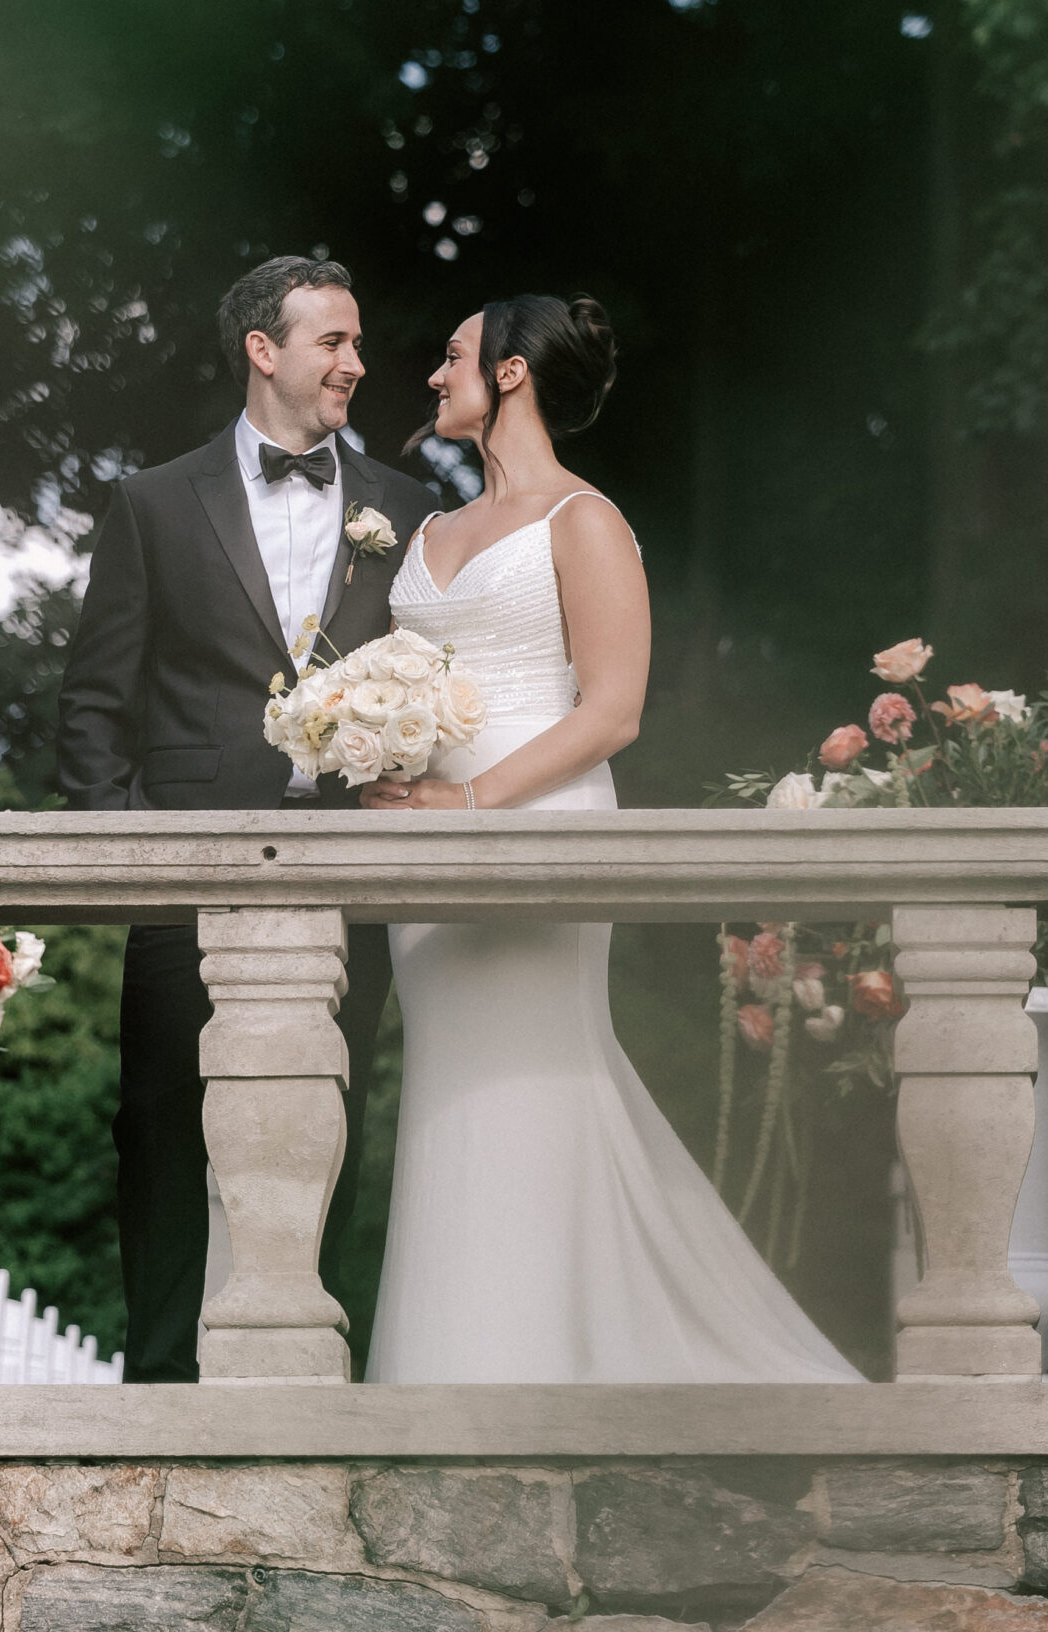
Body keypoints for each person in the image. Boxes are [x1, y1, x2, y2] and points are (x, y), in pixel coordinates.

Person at [356, 294, 860, 1382]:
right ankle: (447, 1366)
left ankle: (533, 1365)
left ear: (512, 373)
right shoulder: (433, 532)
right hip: (426, 840)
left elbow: (612, 710)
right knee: (447, 1079)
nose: (433, 377)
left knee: (533, 1073)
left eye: (452, 358)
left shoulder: (584, 521)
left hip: (532, 814)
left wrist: (475, 802)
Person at [55, 256, 439, 1382]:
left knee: (327, 1121)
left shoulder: (406, 509)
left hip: (347, 869)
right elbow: (95, 699)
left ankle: (309, 1373)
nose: (357, 364)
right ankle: (163, 1384)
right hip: (187, 862)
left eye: (357, 343)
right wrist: (128, 849)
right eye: (333, 342)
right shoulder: (151, 503)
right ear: (262, 351)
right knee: (167, 1130)